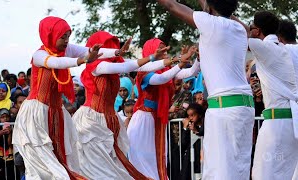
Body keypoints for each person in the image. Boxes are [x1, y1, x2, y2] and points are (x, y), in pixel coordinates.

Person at [12, 16, 123, 180]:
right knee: (43, 166)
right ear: (50, 34)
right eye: (62, 36)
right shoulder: (39, 55)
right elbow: (57, 63)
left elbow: (90, 50)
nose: (66, 40)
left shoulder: (66, 49)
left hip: (57, 113)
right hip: (36, 115)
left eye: (68, 36)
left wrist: (116, 51)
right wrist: (83, 59)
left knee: (63, 162)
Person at [157, 0, 255, 179]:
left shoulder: (211, 23)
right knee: (238, 171)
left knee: (219, 171)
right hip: (243, 107)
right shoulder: (240, 29)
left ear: (210, 8)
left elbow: (172, 5)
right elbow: (225, 12)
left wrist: (210, 7)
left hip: (224, 109)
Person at [72, 31, 173, 179]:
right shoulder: (97, 66)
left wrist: (175, 61)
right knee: (97, 170)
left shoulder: (115, 64)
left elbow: (140, 67)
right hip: (92, 122)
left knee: (114, 167)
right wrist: (151, 57)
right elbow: (128, 67)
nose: (113, 49)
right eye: (109, 46)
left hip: (110, 121)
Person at [236, 12, 298, 179]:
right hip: (291, 123)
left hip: (277, 123)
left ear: (257, 31)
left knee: (263, 174)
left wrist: (223, 10)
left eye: (252, 28)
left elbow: (238, 32)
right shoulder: (287, 49)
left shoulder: (267, 48)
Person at [127, 38, 199, 180]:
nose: (165, 51)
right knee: (140, 157)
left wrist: (198, 58)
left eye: (165, 48)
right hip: (144, 119)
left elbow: (191, 72)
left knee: (157, 157)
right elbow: (161, 79)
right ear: (151, 51)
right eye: (161, 48)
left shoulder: (166, 70)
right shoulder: (144, 71)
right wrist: (179, 63)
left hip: (157, 120)